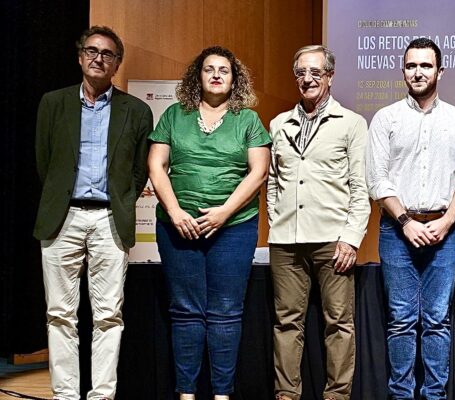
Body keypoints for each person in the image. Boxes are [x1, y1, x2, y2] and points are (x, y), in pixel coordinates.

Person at [34, 25, 152, 400]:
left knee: (107, 315)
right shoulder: (53, 103)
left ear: (117, 63)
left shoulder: (137, 110)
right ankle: (66, 395)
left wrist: (118, 201)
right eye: (91, 51)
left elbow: (139, 170)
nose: (98, 58)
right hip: (62, 217)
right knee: (59, 314)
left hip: (108, 220)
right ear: (80, 56)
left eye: (107, 54)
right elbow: (44, 161)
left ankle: (101, 395)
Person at [147, 46, 270, 400]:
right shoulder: (174, 115)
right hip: (178, 228)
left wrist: (223, 212)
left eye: (224, 70)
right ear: (197, 77)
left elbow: (259, 171)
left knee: (226, 313)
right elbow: (156, 166)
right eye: (208, 69)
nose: (216, 75)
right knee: (185, 312)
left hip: (234, 228)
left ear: (235, 80)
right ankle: (186, 393)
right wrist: (175, 212)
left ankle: (221, 394)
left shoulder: (247, 120)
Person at [367, 37, 455, 400]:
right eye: (411, 65)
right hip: (397, 231)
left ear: (440, 71)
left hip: (445, 231)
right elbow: (377, 179)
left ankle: (434, 396)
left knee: (437, 321)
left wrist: (444, 223)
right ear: (403, 71)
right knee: (400, 321)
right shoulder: (386, 119)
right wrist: (405, 223)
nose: (418, 72)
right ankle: (401, 395)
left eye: (425, 65)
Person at [267, 44, 370, 400]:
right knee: (286, 324)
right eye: (300, 73)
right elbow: (273, 181)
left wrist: (351, 238)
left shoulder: (352, 123)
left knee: (339, 325)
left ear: (329, 76)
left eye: (315, 72)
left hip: (333, 240)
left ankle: (337, 396)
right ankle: (286, 394)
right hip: (286, 240)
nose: (307, 79)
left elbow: (360, 187)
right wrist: (276, 220)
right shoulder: (280, 123)